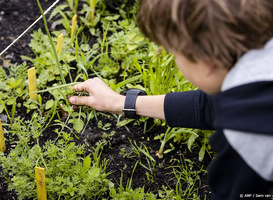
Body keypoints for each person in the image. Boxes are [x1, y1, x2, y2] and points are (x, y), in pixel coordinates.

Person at [68, 0, 273, 199]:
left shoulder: (250, 138)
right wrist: (120, 103)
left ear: (207, 61)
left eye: (173, 52)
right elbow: (210, 106)